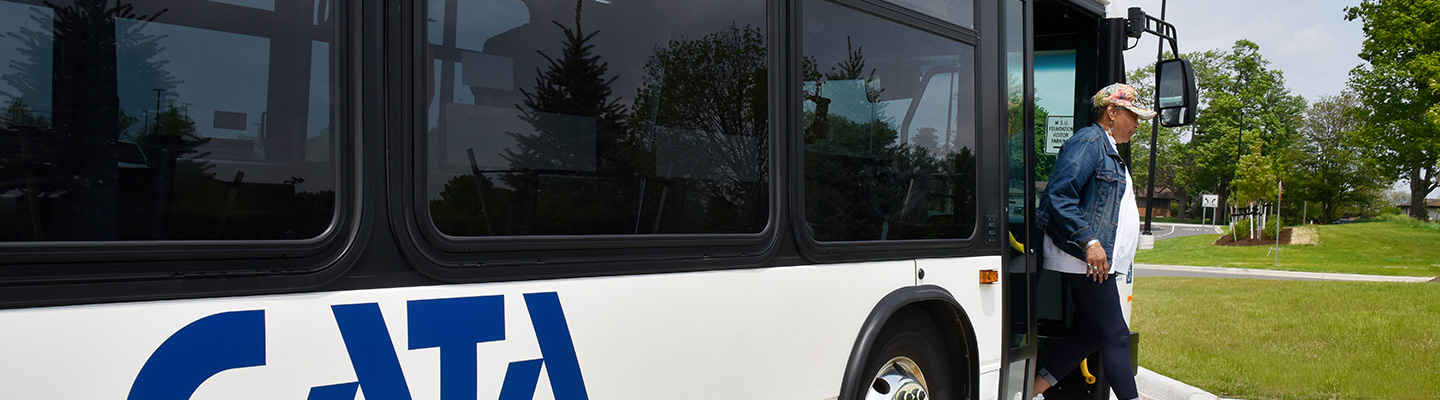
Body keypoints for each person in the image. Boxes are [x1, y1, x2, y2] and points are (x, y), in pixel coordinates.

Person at [1031, 83, 1154, 400]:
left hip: (1095, 261)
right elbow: (1060, 194)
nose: (1138, 125)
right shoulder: (1088, 141)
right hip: (1084, 259)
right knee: (1116, 335)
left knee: (1089, 335)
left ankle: (1029, 391)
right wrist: (1089, 242)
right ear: (1112, 112)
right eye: (1134, 115)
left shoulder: (1107, 147)